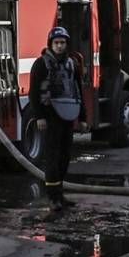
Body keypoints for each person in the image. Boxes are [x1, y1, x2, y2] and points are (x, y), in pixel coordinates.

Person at [28, 26, 84, 210]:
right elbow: (34, 93)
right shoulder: (41, 64)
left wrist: (82, 117)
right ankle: (52, 198)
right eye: (56, 43)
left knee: (65, 156)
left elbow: (78, 91)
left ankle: (60, 194)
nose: (60, 46)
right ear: (50, 44)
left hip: (67, 115)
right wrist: (39, 117)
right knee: (52, 156)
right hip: (49, 114)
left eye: (63, 43)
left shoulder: (72, 64)